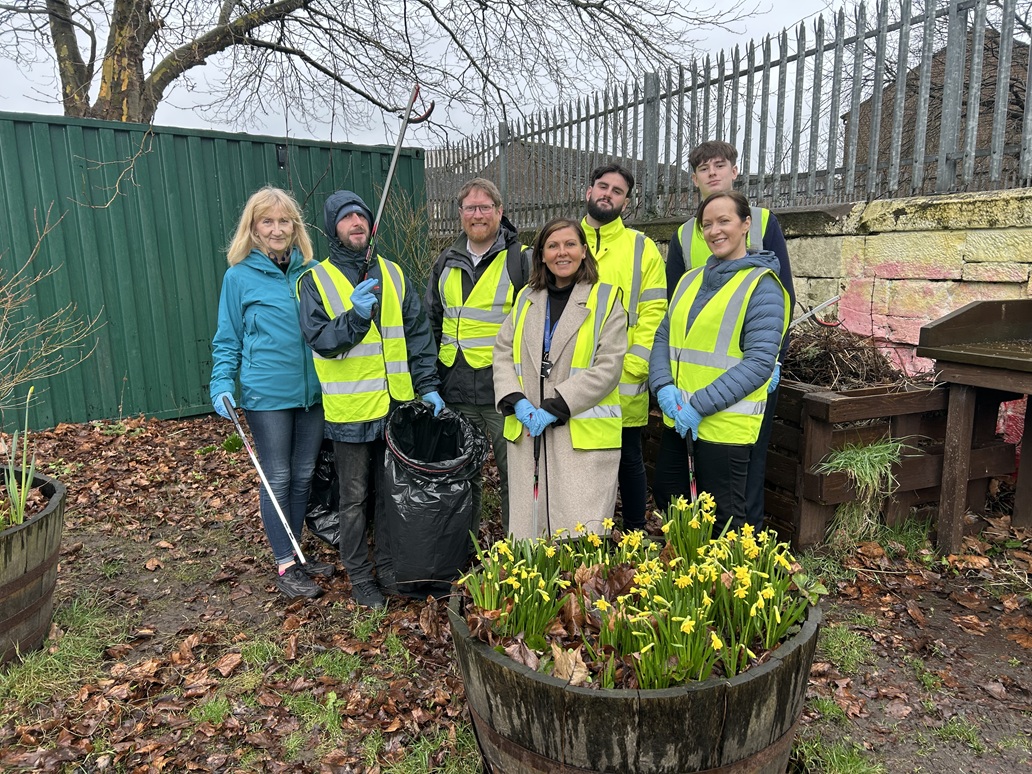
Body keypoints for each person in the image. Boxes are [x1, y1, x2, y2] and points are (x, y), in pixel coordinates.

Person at [298, 190, 443, 609]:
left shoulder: (394, 274)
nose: (356, 222)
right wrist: (356, 317)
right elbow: (321, 340)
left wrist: (428, 385)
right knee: (354, 498)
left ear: (371, 224)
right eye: (346, 218)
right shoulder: (315, 281)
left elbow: (417, 334)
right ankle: (360, 576)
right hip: (351, 411)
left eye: (361, 216)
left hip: (396, 405)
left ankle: (390, 568)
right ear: (333, 229)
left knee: (391, 493)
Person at [210, 186, 333, 600]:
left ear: (295, 227)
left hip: (313, 393)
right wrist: (221, 383)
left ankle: (296, 553)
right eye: (268, 221)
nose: (277, 229)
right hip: (267, 394)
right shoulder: (238, 277)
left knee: (303, 475)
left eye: (284, 221)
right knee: (277, 476)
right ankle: (285, 563)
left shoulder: (313, 272)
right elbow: (227, 338)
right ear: (253, 228)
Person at [666, 140, 796, 528]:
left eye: (719, 165)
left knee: (745, 470)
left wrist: (775, 359)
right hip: (693, 383)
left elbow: (783, 293)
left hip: (747, 373)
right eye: (703, 168)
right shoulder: (684, 234)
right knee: (691, 480)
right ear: (694, 178)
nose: (712, 173)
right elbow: (674, 308)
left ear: (734, 171)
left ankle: (745, 547)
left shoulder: (763, 220)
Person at [493, 217, 627, 539]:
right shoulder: (527, 298)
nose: (561, 252)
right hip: (528, 432)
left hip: (580, 438)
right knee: (532, 537)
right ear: (541, 255)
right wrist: (516, 399)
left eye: (570, 244)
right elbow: (502, 352)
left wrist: (557, 406)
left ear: (584, 251)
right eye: (552, 246)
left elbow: (608, 366)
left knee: (579, 537)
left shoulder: (606, 299)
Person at [424, 178, 531, 535]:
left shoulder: (521, 260)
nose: (478, 214)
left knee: (515, 475)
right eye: (470, 208)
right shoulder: (445, 261)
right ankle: (464, 544)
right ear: (460, 214)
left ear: (500, 212)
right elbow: (432, 322)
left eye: (485, 207)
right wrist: (429, 381)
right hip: (454, 388)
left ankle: (517, 548)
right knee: (460, 475)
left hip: (503, 392)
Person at [579, 163, 666, 532]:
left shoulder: (641, 248)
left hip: (623, 376)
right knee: (578, 457)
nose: (608, 194)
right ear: (589, 191)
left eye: (617, 191)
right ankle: (585, 532)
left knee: (628, 456)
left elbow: (654, 310)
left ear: (626, 203)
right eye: (603, 186)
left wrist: (635, 363)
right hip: (574, 374)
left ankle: (633, 531)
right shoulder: (567, 238)